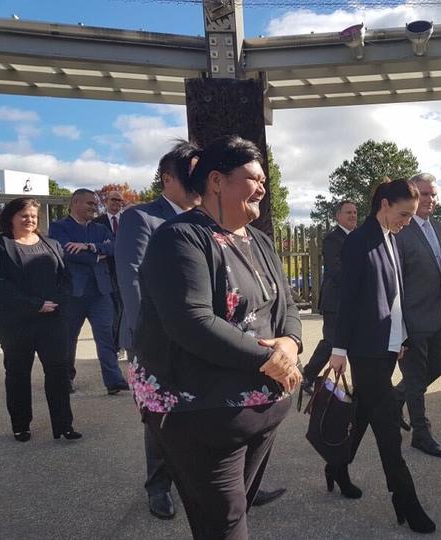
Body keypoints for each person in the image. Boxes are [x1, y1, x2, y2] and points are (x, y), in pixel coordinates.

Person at [133, 135, 302, 540]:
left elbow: (288, 306)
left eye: (264, 179)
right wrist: (272, 360)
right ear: (216, 180)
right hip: (203, 412)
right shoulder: (181, 237)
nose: (262, 186)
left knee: (233, 509)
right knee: (223, 525)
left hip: (264, 405)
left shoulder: (259, 240)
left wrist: (291, 344)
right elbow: (192, 321)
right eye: (252, 178)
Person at [328, 178, 436, 534]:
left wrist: (401, 335)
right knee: (388, 425)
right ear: (385, 204)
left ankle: (337, 465)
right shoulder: (360, 241)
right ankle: (404, 498)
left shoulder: (391, 237)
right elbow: (349, 299)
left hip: (389, 344)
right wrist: (339, 349)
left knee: (363, 411)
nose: (408, 221)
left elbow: (395, 294)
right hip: (364, 349)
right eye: (404, 213)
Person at [115, 141, 200, 520]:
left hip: (202, 334)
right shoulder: (141, 218)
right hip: (158, 338)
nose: (200, 183)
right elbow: (132, 279)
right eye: (191, 176)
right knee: (161, 415)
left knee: (211, 411)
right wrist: (146, 340)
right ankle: (159, 487)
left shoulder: (206, 218)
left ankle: (229, 481)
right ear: (168, 178)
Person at [0, 197, 81, 442]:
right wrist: (36, 305)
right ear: (11, 217)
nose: (30, 219)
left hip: (52, 320)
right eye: (24, 215)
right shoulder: (1, 245)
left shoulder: (52, 244)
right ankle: (21, 425)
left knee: (58, 372)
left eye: (33, 215)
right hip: (16, 323)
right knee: (18, 374)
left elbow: (65, 279)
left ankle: (64, 426)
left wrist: (55, 303)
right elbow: (1, 286)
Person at [394, 172, 441, 458]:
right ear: (413, 195)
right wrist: (399, 327)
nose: (430, 199)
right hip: (412, 320)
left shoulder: (439, 228)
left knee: (440, 366)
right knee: (416, 379)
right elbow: (395, 282)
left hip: (439, 316)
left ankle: (395, 398)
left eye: (433, 194)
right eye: (425, 194)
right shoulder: (401, 231)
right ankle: (421, 432)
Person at [49, 189, 128, 395]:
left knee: (106, 338)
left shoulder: (100, 228)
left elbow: (115, 247)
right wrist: (96, 256)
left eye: (95, 204)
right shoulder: (59, 227)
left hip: (101, 293)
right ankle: (65, 378)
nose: (95, 207)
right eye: (90, 204)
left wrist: (89, 246)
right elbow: (65, 252)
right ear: (75, 203)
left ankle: (114, 380)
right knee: (68, 339)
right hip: (72, 294)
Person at [301, 200, 358, 392]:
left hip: (353, 302)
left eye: (355, 212)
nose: (353, 215)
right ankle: (307, 377)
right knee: (332, 343)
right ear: (338, 216)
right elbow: (336, 270)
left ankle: (360, 387)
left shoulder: (358, 238)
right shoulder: (333, 239)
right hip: (335, 302)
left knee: (354, 344)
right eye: (348, 212)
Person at [94, 190, 125, 360]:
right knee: (110, 311)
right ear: (106, 201)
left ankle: (119, 344)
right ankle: (113, 345)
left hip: (124, 271)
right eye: (113, 200)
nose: (117, 203)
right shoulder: (97, 222)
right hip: (105, 271)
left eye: (120, 201)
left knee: (121, 309)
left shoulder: (128, 221)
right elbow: (98, 245)